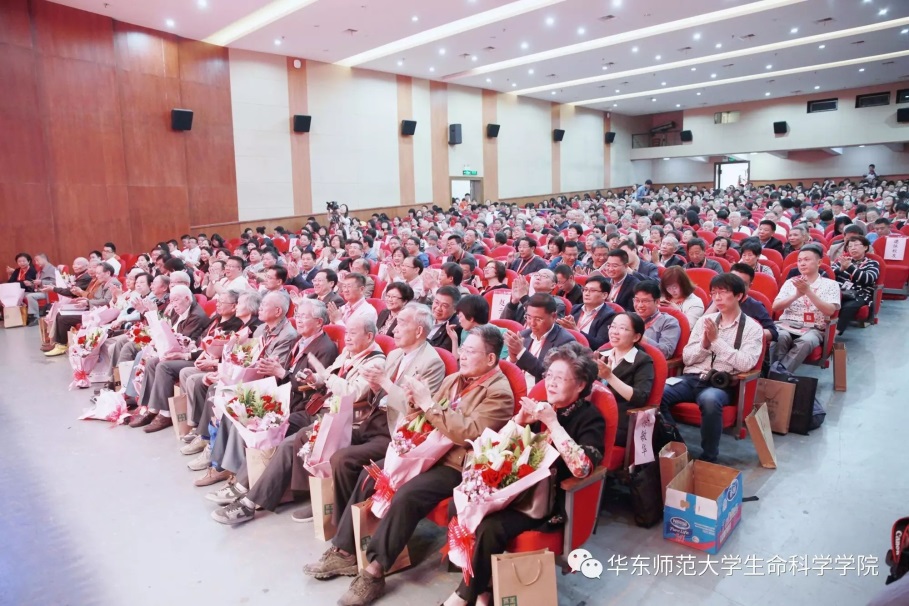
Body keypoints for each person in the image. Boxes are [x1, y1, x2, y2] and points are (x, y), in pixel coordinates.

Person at [303, 326, 514, 606]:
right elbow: (425, 417)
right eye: (462, 349)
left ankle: (374, 571)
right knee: (372, 475)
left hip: (457, 464)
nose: (462, 355)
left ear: (490, 359)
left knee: (407, 495)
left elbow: (468, 433)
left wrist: (428, 405)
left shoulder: (499, 393)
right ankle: (345, 551)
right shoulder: (455, 379)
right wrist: (415, 403)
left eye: (470, 351)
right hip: (426, 451)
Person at [441, 342, 605, 606]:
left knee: (490, 528)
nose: (551, 383)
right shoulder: (541, 407)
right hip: (513, 490)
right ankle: (483, 590)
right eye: (549, 375)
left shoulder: (590, 418)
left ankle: (464, 596)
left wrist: (552, 423)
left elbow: (582, 468)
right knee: (458, 506)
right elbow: (498, 449)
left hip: (545, 503)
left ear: (580, 385)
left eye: (560, 378)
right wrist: (519, 422)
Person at [660, 274, 763, 462]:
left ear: (739, 295)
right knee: (658, 392)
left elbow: (745, 363)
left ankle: (709, 456)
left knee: (710, 400)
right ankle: (677, 446)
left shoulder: (752, 328)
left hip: (720, 384)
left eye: (722, 292)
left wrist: (716, 341)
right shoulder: (704, 321)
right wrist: (704, 345)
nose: (717, 298)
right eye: (714, 293)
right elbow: (687, 358)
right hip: (692, 378)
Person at [771, 246, 841, 373]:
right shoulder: (790, 282)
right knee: (780, 336)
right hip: (787, 324)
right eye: (799, 260)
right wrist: (796, 295)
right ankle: (779, 374)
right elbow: (775, 307)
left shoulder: (831, 284)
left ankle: (777, 374)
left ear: (819, 262)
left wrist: (808, 292)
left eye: (807, 260)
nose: (802, 263)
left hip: (813, 328)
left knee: (806, 341)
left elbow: (830, 311)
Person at [595, 312, 655, 446]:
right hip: (593, 413)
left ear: (636, 337)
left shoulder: (642, 361)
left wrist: (609, 377)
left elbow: (640, 397)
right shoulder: (601, 354)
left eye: (622, 328)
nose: (614, 332)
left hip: (619, 420)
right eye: (613, 326)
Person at [504, 293, 577, 385]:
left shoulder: (565, 341)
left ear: (554, 316)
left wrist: (521, 352)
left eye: (538, 319)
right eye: (528, 317)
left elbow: (548, 374)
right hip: (516, 386)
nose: (532, 323)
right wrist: (512, 359)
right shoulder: (524, 335)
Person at [831, 236, 879, 335]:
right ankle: (822, 328)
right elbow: (829, 274)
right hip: (840, 291)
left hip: (860, 294)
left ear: (865, 247)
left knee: (848, 306)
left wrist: (850, 268)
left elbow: (868, 278)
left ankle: (835, 332)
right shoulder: (842, 261)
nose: (853, 248)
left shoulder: (872, 263)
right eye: (850, 246)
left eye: (856, 245)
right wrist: (840, 269)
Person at [556, 275, 615, 350]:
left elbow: (600, 345)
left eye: (592, 291)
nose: (586, 293)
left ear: (604, 295)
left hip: (588, 353)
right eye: (585, 289)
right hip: (568, 348)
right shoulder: (576, 308)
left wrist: (577, 331)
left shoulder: (609, 316)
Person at [631, 280, 681, 360]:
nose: (640, 305)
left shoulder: (669, 322)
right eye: (637, 300)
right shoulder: (628, 318)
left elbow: (666, 352)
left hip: (647, 364)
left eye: (645, 301)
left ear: (657, 302)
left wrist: (640, 338)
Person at [426, 285, 461, 351]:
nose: (438, 308)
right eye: (436, 302)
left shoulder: (455, 327)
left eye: (444, 306)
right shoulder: (425, 313)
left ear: (455, 309)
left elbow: (441, 352)